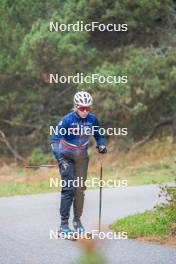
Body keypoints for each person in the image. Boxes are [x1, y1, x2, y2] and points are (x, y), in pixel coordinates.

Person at [50, 91, 107, 236]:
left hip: (82, 158)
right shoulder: (67, 120)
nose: (85, 111)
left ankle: (77, 221)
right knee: (69, 189)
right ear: (75, 106)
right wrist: (60, 160)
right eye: (82, 108)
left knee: (80, 190)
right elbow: (54, 141)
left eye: (88, 108)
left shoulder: (92, 119)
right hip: (66, 157)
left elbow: (99, 135)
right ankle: (63, 225)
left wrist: (101, 145)